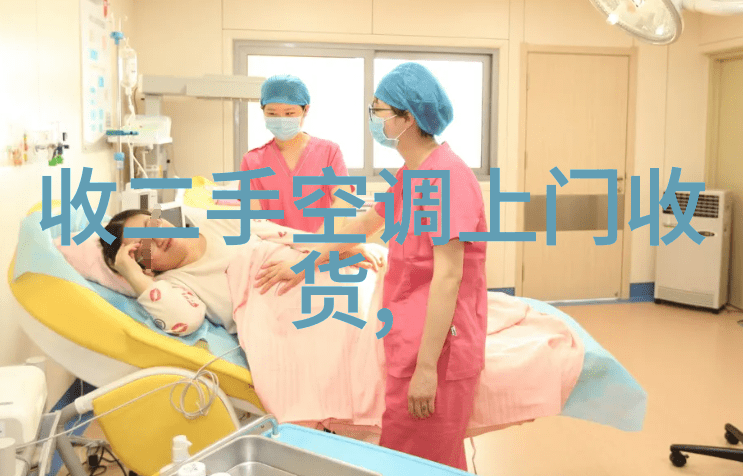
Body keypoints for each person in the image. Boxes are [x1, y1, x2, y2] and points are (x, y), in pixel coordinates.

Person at [255, 62, 489, 471]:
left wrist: (427, 369)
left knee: (423, 464)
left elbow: (449, 276)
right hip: (408, 339)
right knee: (405, 457)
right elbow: (364, 225)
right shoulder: (414, 174)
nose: (373, 119)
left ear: (407, 118)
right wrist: (304, 263)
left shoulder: (447, 177)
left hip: (438, 350)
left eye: (378, 110)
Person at [99, 210, 384, 337]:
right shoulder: (174, 285)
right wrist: (134, 276)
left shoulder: (216, 223)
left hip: (318, 267)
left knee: (382, 277)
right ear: (145, 267)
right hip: (299, 316)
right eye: (142, 247)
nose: (155, 238)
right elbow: (185, 320)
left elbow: (285, 236)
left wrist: (336, 250)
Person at [240, 74, 355, 234]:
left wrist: (319, 242)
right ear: (263, 111)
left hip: (320, 245)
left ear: (305, 110)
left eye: (289, 113)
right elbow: (254, 220)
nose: (281, 119)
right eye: (272, 114)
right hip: (272, 246)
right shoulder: (252, 161)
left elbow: (343, 200)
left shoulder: (329, 152)